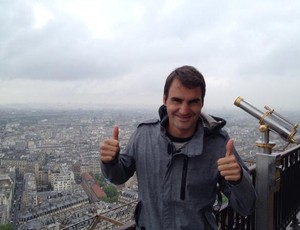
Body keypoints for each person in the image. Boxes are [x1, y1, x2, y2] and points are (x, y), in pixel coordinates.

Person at [100, 65, 256, 229]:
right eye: (177, 100)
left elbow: (246, 206)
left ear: (202, 103)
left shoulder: (218, 144)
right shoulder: (143, 135)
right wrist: (109, 162)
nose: (184, 109)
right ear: (165, 99)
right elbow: (118, 177)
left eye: (192, 102)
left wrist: (239, 179)